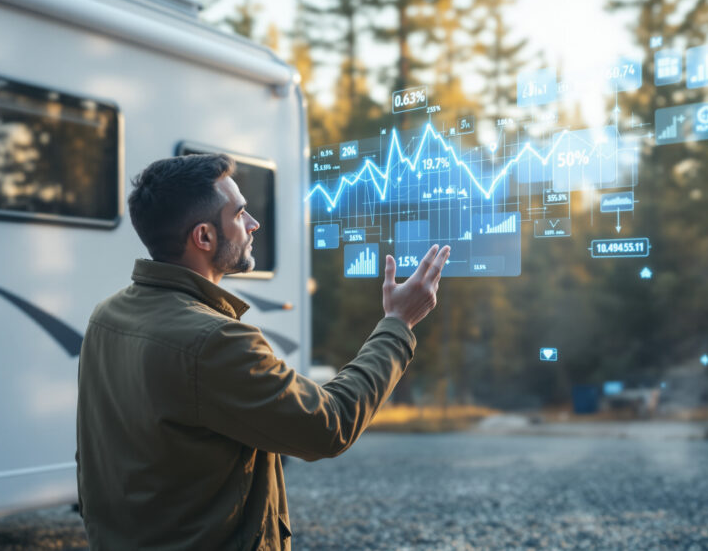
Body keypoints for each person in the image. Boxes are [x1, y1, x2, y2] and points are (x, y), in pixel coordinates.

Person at [76, 153, 449, 550]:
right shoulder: (215, 341)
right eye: (240, 214)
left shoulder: (107, 315)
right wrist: (398, 324)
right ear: (204, 237)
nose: (254, 224)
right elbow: (330, 425)